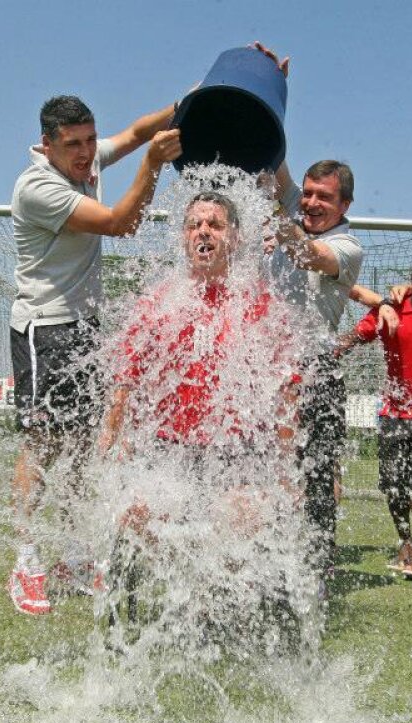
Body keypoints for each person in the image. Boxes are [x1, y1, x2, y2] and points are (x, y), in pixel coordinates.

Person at [6, 92, 183, 614]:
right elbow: (121, 223)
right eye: (73, 145)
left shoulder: (83, 159)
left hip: (84, 328)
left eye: (88, 141)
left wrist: (196, 96)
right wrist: (152, 164)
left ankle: (73, 556)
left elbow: (132, 133)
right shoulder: (37, 186)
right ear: (48, 144)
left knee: (82, 449)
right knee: (42, 446)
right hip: (44, 330)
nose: (86, 154)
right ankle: (27, 559)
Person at [100, 190, 300, 555]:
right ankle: (181, 571)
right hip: (168, 450)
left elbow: (287, 391)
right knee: (134, 513)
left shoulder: (261, 304)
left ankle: (219, 593)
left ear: (236, 238)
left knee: (242, 520)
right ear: (183, 237)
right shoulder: (158, 302)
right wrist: (112, 441)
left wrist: (287, 467)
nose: (203, 231)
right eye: (194, 224)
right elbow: (125, 381)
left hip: (237, 454)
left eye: (215, 225)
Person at [269, 159, 364, 578]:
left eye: (323, 197)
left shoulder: (348, 247)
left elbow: (307, 255)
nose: (310, 202)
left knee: (317, 474)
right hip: (266, 369)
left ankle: (317, 564)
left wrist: (275, 212)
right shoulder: (297, 209)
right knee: (264, 469)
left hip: (316, 373)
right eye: (306, 193)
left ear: (344, 204)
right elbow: (274, 165)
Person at [337, 253, 412, 580]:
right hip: (394, 411)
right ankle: (405, 540)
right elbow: (353, 337)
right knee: (392, 485)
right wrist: (329, 350)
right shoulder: (391, 309)